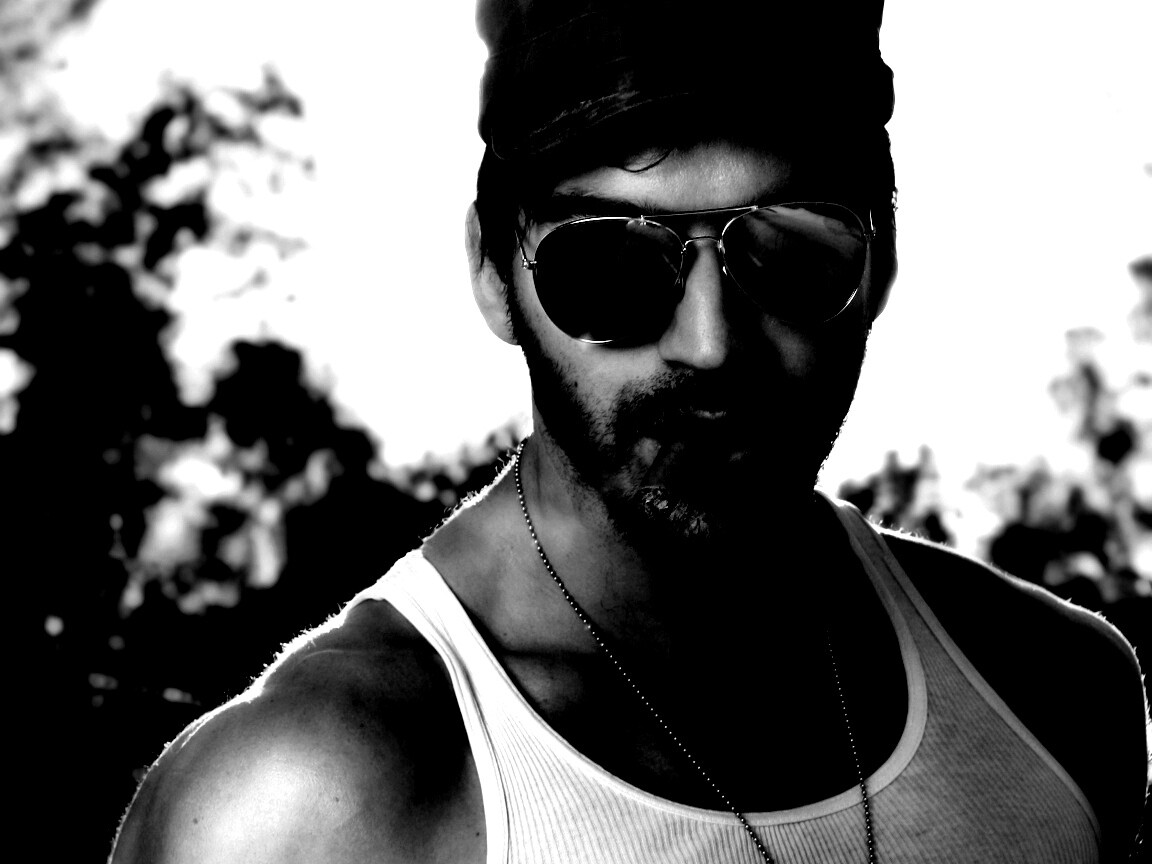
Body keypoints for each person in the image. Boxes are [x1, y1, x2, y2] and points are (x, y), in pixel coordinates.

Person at [109, 1, 1149, 862]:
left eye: (791, 250)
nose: (710, 345)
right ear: (493, 274)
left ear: (879, 266)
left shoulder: (1058, 695)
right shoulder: (311, 807)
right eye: (609, 263)